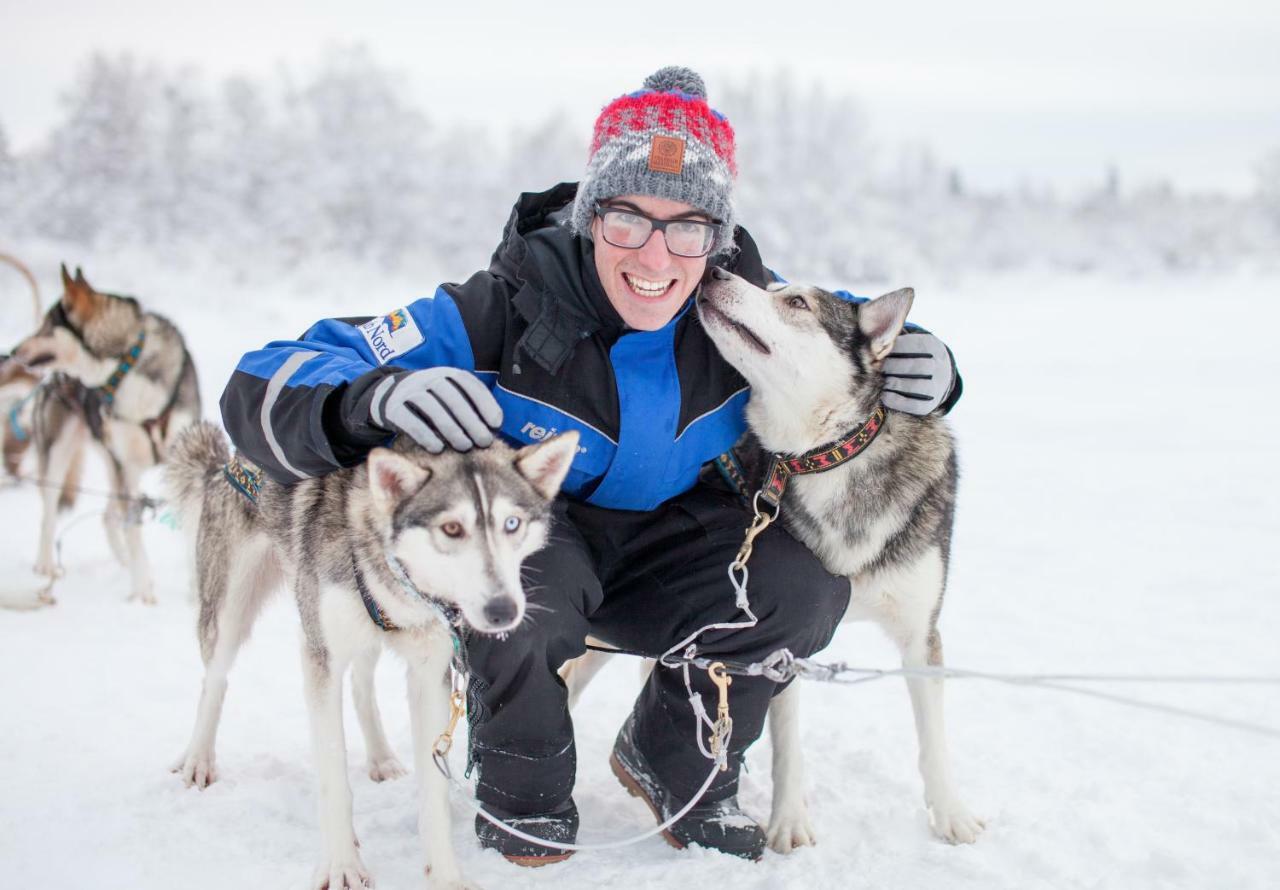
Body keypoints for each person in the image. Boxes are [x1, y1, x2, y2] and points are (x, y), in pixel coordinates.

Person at [220, 66, 961, 864]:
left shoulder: (736, 302)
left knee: (802, 586)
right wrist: (371, 400)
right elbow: (264, 375)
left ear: (714, 238)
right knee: (518, 579)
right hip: (545, 531)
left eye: (687, 227)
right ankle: (522, 791)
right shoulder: (501, 305)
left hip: (677, 540)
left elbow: (847, 331)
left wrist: (937, 368)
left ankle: (679, 762)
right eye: (627, 220)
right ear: (588, 216)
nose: (657, 254)